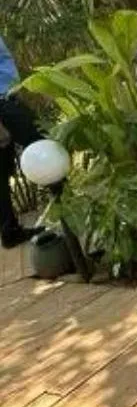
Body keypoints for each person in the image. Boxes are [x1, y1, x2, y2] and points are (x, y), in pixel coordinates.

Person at [0, 35, 44, 248]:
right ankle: (66, 207)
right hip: (3, 103)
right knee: (40, 144)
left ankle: (10, 230)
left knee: (2, 171)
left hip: (6, 97)